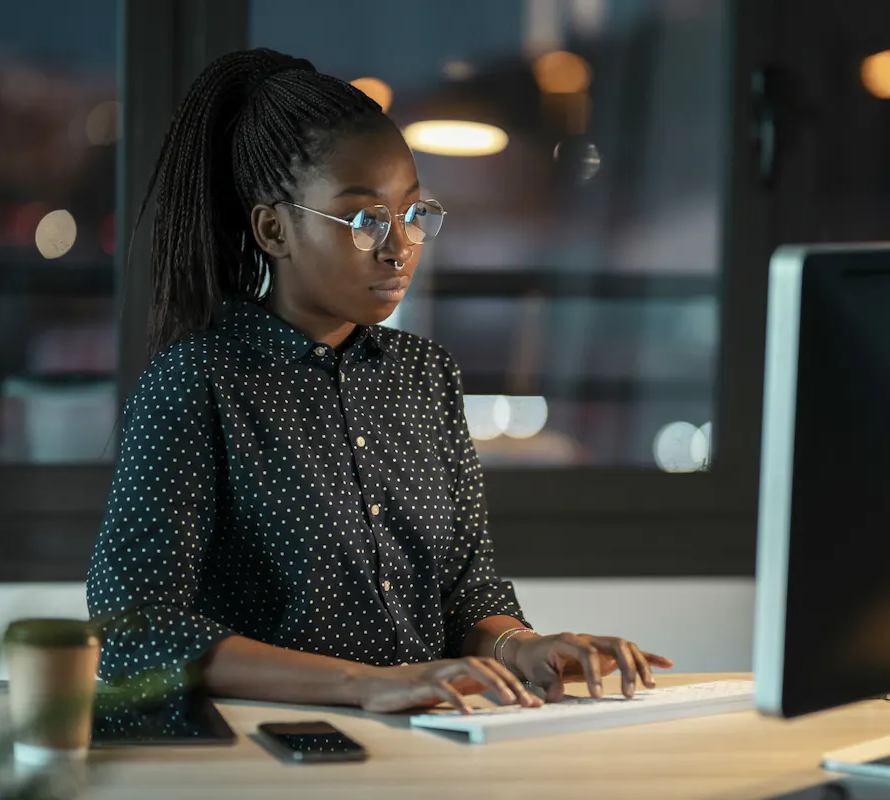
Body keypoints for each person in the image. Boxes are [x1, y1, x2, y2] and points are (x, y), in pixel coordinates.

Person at [86, 47, 672, 716]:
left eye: (415, 214)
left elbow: (466, 594)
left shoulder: (425, 375)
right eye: (365, 220)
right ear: (273, 228)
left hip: (428, 736)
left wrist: (520, 647)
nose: (400, 248)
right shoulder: (199, 382)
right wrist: (365, 683)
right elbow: (133, 631)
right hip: (274, 750)